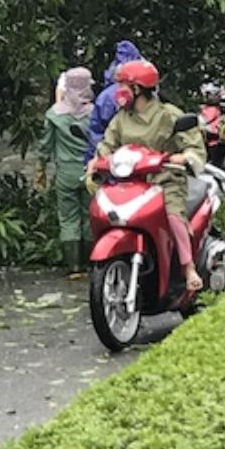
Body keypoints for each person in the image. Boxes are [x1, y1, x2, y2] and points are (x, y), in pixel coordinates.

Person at [88, 60, 206, 292]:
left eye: (123, 85)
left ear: (138, 88)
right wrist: (96, 160)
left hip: (165, 181)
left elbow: (194, 147)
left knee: (173, 216)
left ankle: (188, 267)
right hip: (130, 183)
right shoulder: (122, 117)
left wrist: (184, 157)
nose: (118, 92)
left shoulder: (168, 115)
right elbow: (107, 144)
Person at [36, 67, 95, 278]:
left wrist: (40, 169)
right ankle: (91, 265)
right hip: (91, 173)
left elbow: (45, 146)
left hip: (65, 174)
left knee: (68, 218)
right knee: (90, 217)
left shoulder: (54, 115)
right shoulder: (95, 113)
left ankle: (73, 267)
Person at [84, 40, 143, 163]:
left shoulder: (106, 96)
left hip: (127, 163)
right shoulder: (109, 98)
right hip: (124, 162)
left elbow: (96, 133)